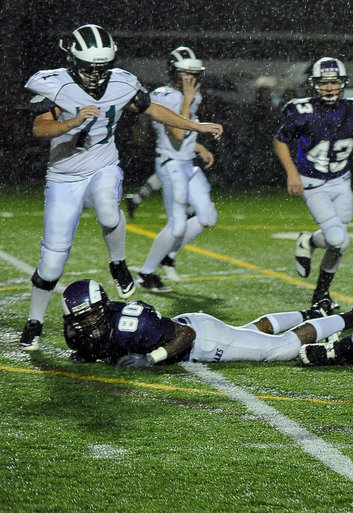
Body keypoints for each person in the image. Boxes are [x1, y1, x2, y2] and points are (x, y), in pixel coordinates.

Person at [19, 24, 223, 351]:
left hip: (103, 165)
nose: (97, 74)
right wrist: (72, 122)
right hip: (64, 176)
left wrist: (195, 127)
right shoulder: (53, 82)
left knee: (107, 206)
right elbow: (39, 127)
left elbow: (152, 109)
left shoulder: (122, 81)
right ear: (72, 60)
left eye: (103, 67)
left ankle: (118, 263)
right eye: (89, 67)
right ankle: (35, 320)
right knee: (53, 260)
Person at [274, 57, 353, 311]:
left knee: (339, 242)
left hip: (342, 182)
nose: (330, 87)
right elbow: (280, 140)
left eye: (334, 82)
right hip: (313, 184)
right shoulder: (301, 110)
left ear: (343, 83)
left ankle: (320, 290)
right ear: (314, 84)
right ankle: (313, 251)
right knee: (336, 238)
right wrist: (291, 173)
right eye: (324, 83)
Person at [61, 278, 353, 366]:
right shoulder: (78, 334)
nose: (85, 324)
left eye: (90, 315)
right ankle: (311, 314)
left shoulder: (133, 325)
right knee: (250, 331)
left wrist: (151, 357)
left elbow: (185, 334)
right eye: (79, 319)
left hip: (200, 340)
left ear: (103, 308)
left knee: (279, 349)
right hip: (192, 328)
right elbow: (92, 347)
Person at [135, 46, 217, 291]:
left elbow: (187, 136)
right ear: (174, 73)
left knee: (208, 216)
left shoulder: (191, 96)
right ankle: (146, 274)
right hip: (170, 164)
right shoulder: (164, 95)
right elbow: (179, 132)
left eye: (194, 74)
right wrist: (188, 101)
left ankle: (168, 254)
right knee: (178, 225)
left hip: (186, 162)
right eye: (185, 74)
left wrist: (198, 146)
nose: (190, 79)